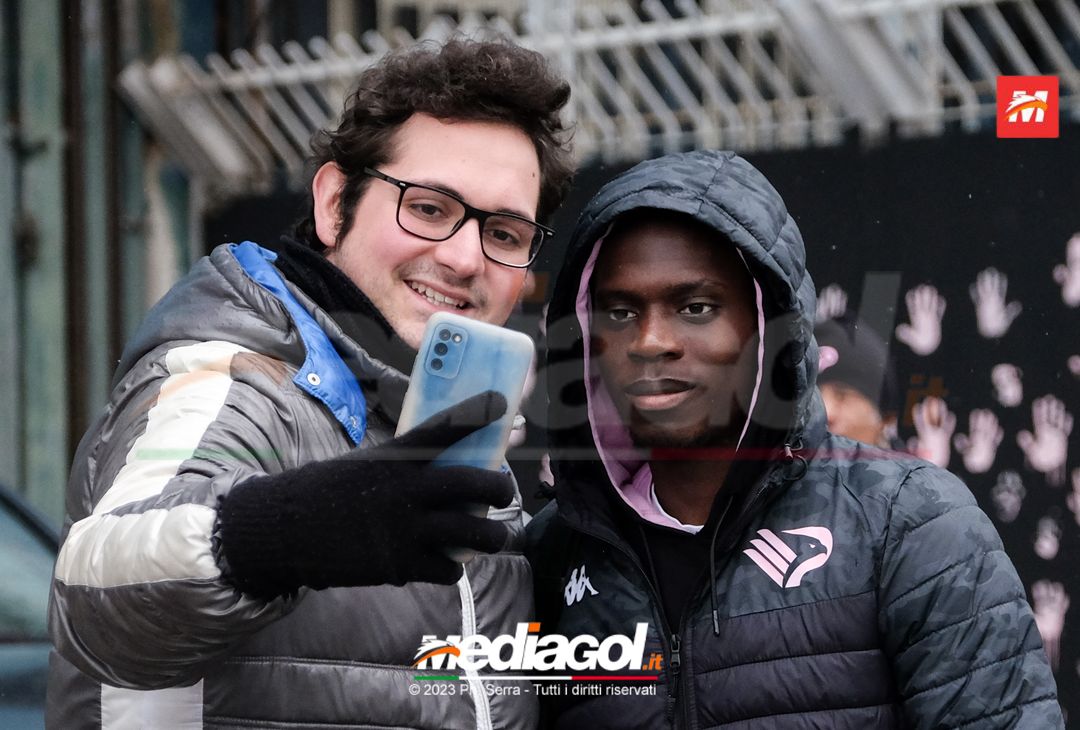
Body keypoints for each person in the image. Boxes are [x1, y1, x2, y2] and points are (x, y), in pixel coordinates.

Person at [48, 37, 574, 729]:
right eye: (428, 208)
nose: (463, 256)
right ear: (333, 204)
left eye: (503, 233)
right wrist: (283, 536)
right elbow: (96, 585)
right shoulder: (232, 378)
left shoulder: (473, 442)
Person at [526, 150, 1061, 728]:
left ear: (770, 327)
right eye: (621, 312)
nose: (651, 341)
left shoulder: (911, 525)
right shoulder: (550, 555)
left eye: (695, 307)